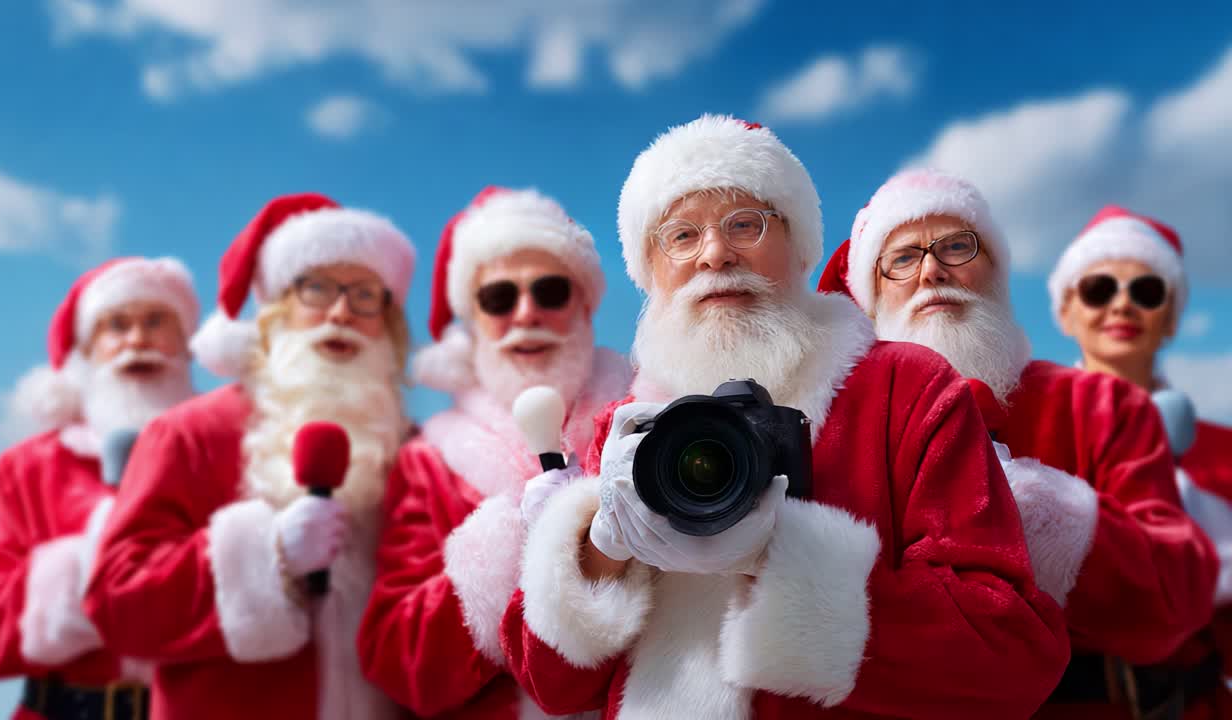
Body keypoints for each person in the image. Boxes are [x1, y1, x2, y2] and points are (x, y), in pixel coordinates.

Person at [501, 115, 1069, 720]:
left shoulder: (906, 387)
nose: (715, 254)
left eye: (745, 224)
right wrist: (596, 554)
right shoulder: (629, 428)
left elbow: (1010, 653)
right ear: (651, 270)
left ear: (797, 244)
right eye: (681, 236)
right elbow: (551, 684)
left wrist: (778, 560)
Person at [818, 173, 1220, 719]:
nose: (932, 270)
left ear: (998, 273)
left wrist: (1036, 509)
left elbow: (1177, 594)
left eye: (957, 246)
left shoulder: (1099, 405)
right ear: (870, 298)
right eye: (903, 258)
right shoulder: (841, 424)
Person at [82, 194, 415, 720]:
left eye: (365, 294)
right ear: (276, 310)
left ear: (388, 324)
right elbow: (117, 603)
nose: (341, 311)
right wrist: (268, 553)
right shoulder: (188, 434)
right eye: (317, 288)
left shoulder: (411, 448)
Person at [358, 186, 631, 718]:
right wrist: (511, 541)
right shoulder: (431, 459)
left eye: (551, 291)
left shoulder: (647, 413)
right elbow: (397, 659)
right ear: (473, 322)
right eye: (498, 299)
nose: (526, 313)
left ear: (586, 304)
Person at [0, 256, 199, 719]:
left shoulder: (227, 452)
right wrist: (84, 572)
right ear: (84, 355)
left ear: (188, 344)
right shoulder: (31, 467)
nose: (138, 339)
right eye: (116, 325)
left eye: (156, 320)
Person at [1050, 204, 1231, 718]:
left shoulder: (1224, 454)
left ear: (1172, 316)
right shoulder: (1022, 428)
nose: (1122, 305)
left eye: (1147, 291)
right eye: (1098, 289)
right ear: (1065, 311)